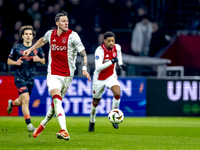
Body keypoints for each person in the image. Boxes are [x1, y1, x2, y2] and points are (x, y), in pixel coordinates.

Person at [23, 11, 91, 140]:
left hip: (67, 76)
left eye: (67, 21)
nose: (66, 23)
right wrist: (30, 49)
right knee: (56, 98)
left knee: (55, 106)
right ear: (57, 23)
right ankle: (64, 130)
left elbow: (83, 53)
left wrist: (84, 68)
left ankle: (43, 124)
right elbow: (42, 41)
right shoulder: (51, 34)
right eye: (63, 21)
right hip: (53, 74)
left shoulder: (73, 36)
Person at [7, 25, 45, 132]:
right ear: (22, 36)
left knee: (22, 101)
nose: (28, 36)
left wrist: (39, 59)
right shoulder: (17, 48)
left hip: (31, 77)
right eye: (26, 34)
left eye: (30, 34)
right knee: (26, 99)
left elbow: (43, 60)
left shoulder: (37, 48)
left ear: (32, 36)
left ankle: (12, 104)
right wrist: (16, 62)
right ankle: (29, 125)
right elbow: (8, 61)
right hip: (19, 76)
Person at [89, 31, 126, 132]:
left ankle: (114, 116)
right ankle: (92, 121)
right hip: (99, 79)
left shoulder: (117, 47)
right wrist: (112, 61)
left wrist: (121, 63)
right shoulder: (99, 51)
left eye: (112, 41)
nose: (111, 43)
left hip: (111, 76)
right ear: (104, 41)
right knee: (96, 102)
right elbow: (98, 67)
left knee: (117, 93)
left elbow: (119, 54)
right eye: (109, 41)